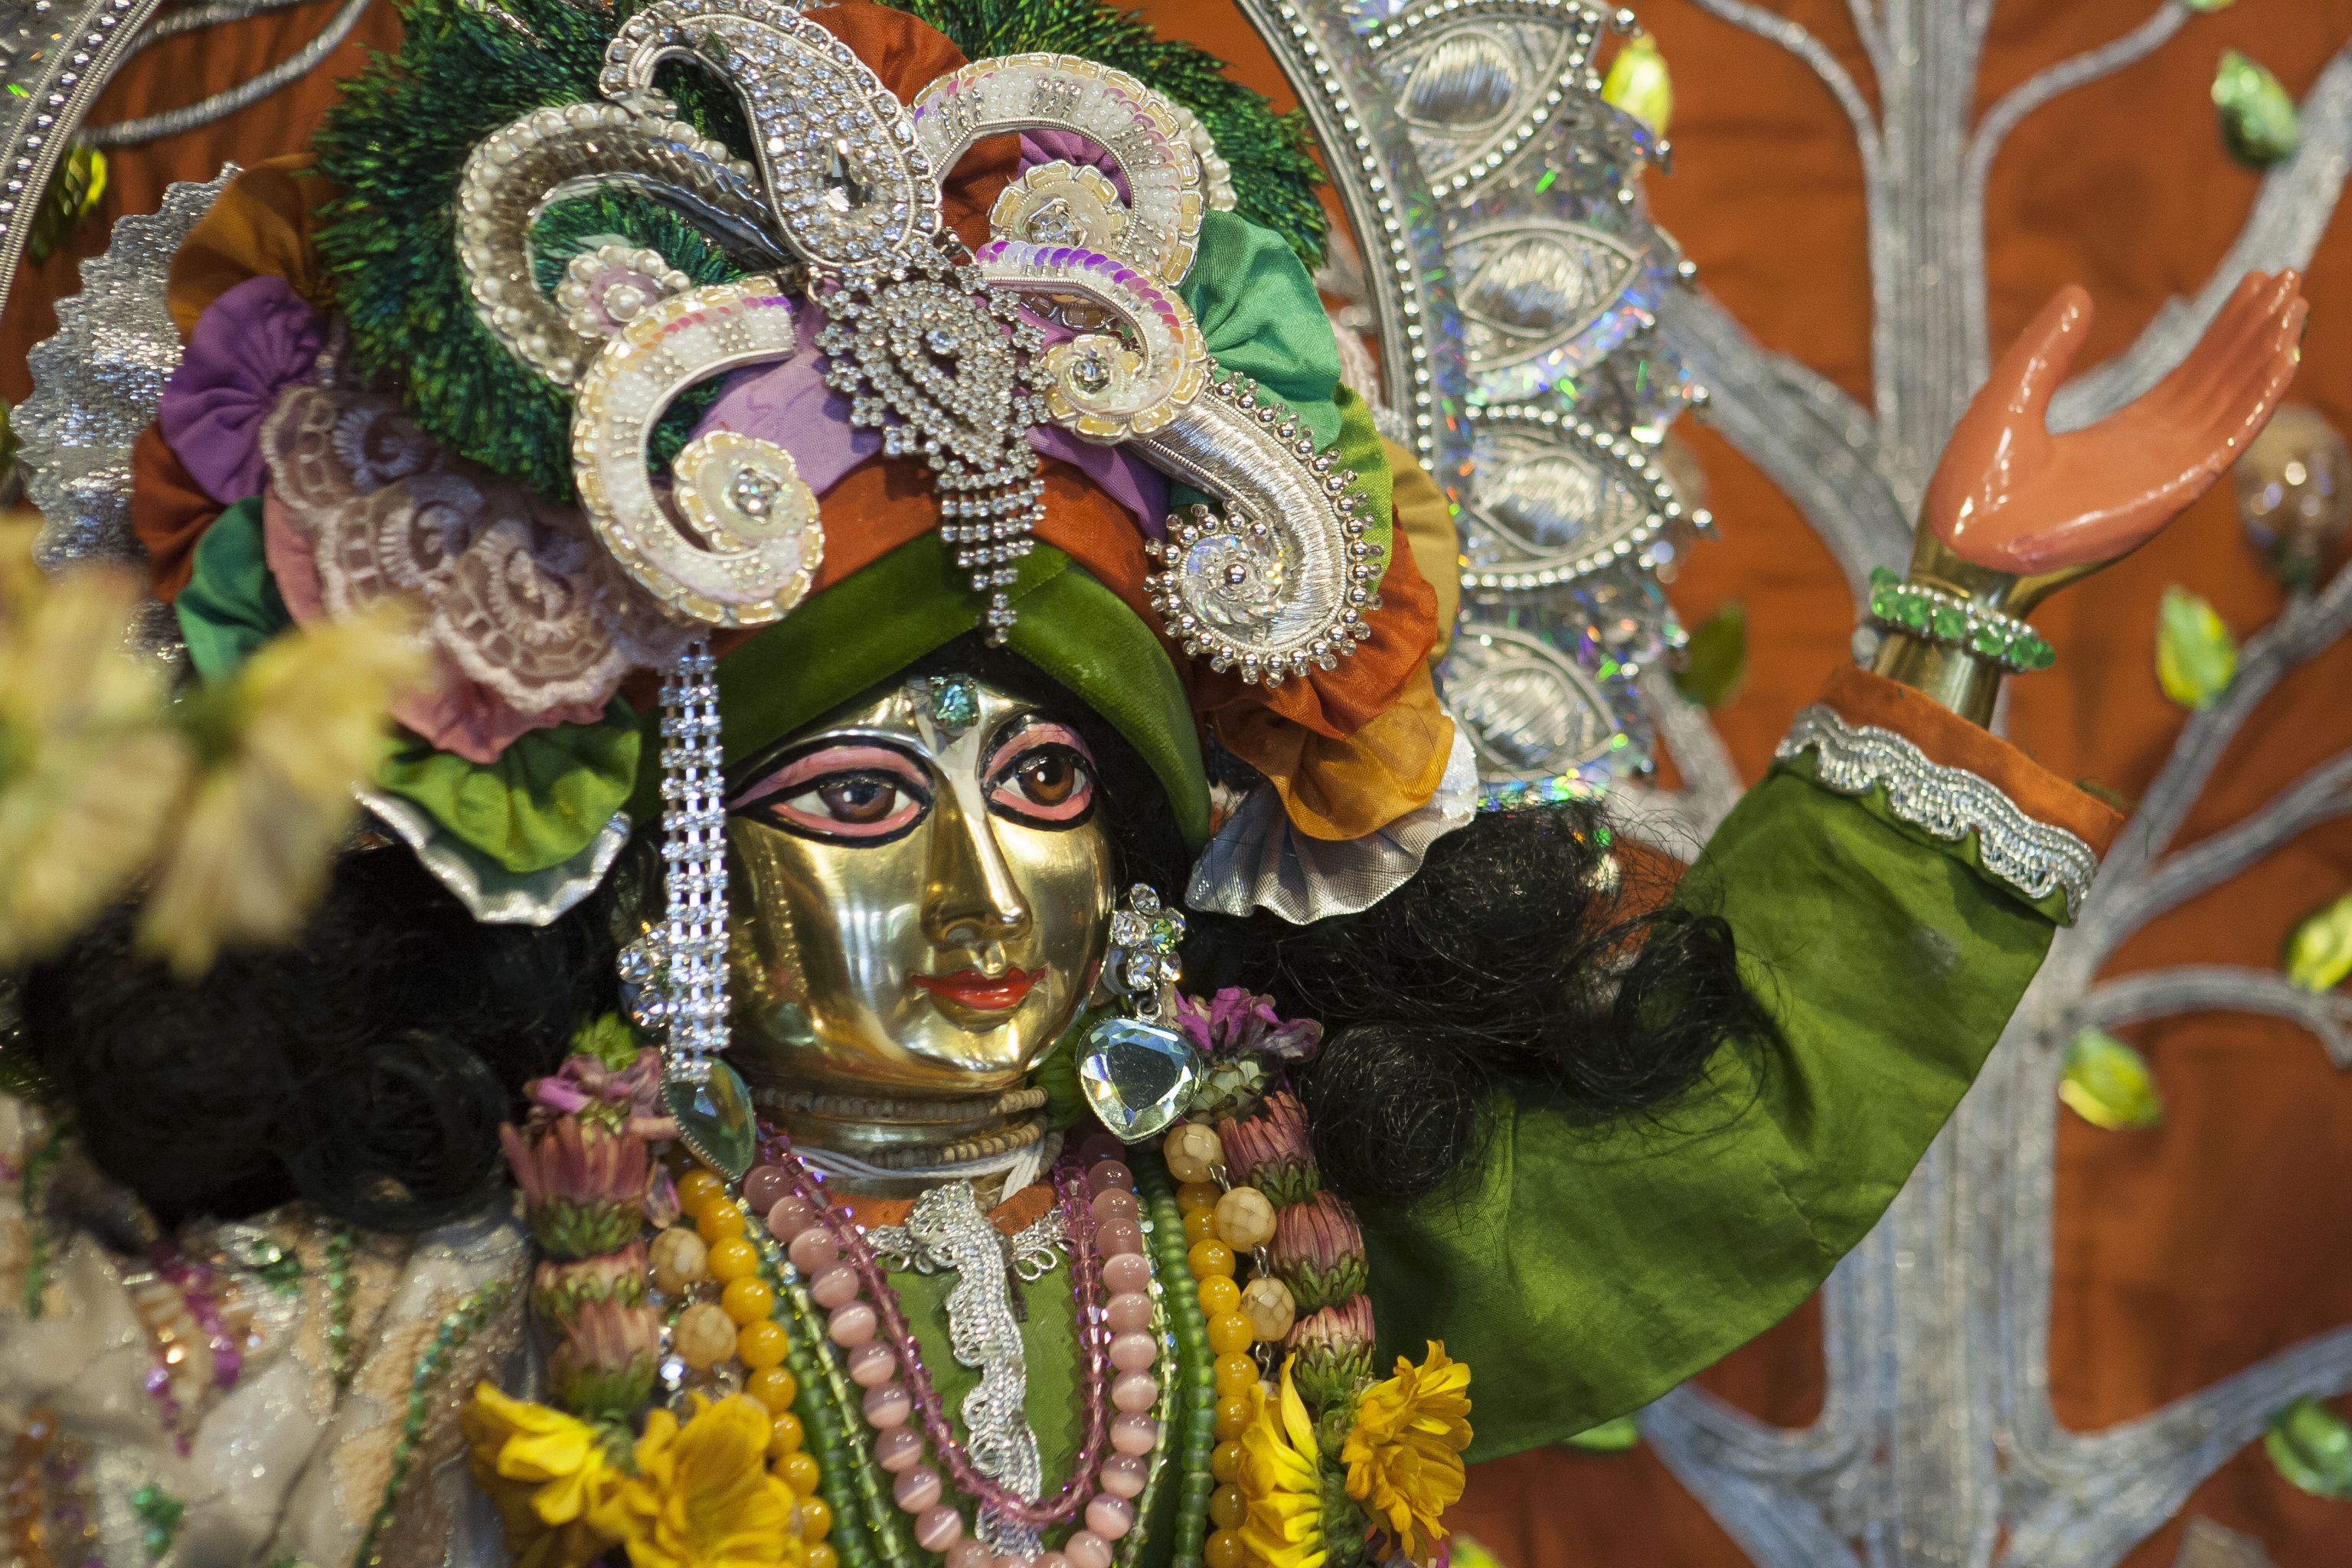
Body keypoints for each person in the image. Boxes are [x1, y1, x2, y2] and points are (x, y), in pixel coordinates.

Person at [0, 2, 2305, 1566]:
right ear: (657, 861)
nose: (984, 895)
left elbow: (1702, 1157)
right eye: (859, 807)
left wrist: (1955, 608)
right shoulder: (442, 1317)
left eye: (1040, 780)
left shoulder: (1262, 1251)